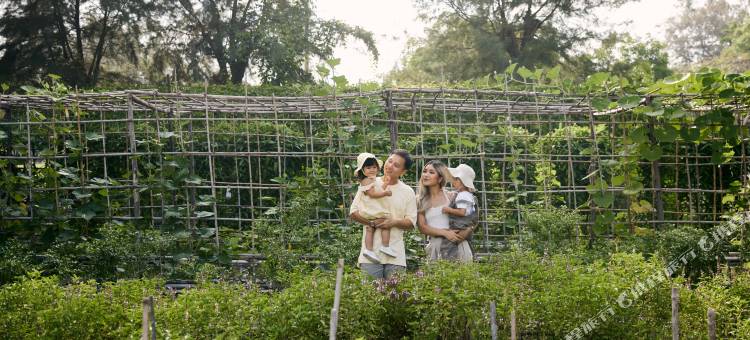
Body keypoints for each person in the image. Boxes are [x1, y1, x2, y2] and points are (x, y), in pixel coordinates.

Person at [350, 149, 417, 279]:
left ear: (403, 172)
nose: (390, 166)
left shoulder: (408, 191)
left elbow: (411, 223)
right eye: (390, 161)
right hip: (370, 256)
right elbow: (353, 212)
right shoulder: (369, 182)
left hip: (395, 256)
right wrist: (371, 223)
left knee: (395, 297)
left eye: (396, 165)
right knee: (370, 296)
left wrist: (394, 222)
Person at [417, 160, 473, 262]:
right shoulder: (420, 200)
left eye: (431, 172)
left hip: (457, 244)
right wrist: (445, 233)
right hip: (435, 246)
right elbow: (422, 227)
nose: (426, 175)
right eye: (424, 171)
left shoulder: (452, 196)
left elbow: (471, 218)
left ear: (440, 178)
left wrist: (464, 233)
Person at [351, 152, 398, 263]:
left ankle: (369, 249)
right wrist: (385, 193)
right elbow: (373, 194)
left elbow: (377, 189)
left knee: (370, 229)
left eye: (374, 167)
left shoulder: (371, 180)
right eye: (368, 167)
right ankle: (384, 246)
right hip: (372, 210)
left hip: (371, 210)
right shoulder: (367, 180)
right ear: (362, 170)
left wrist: (385, 184)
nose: (372, 169)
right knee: (385, 223)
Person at [441, 164, 479, 260]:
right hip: (466, 226)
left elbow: (462, 212)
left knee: (447, 244)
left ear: (461, 181)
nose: (453, 182)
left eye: (455, 179)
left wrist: (448, 209)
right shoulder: (468, 195)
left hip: (459, 226)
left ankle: (449, 262)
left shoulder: (463, 195)